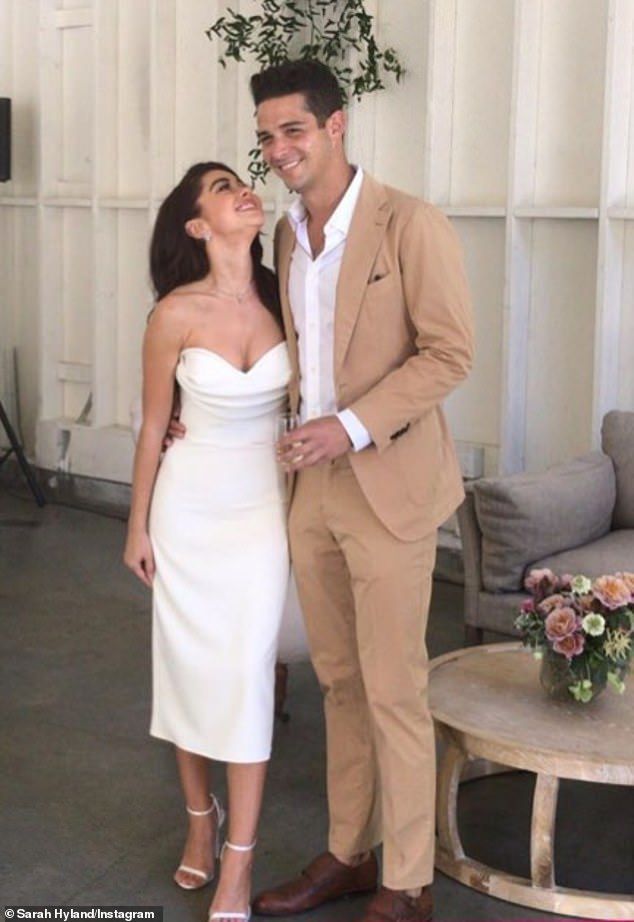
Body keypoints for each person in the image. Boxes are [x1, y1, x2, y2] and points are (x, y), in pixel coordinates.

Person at [250, 60, 474, 922]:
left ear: (336, 125)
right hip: (313, 493)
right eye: (267, 136)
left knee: (393, 687)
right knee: (339, 682)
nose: (278, 150)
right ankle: (350, 852)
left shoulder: (409, 223)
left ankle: (408, 881)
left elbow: (449, 353)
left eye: (293, 131)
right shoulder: (283, 235)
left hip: (390, 483)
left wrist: (347, 427)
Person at [123, 161, 290, 922]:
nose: (243, 190)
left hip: (264, 509)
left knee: (247, 673)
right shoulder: (174, 315)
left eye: (241, 181)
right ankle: (201, 819)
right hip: (188, 509)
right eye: (222, 188)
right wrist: (136, 526)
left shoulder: (289, 294)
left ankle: (239, 867)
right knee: (191, 670)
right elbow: (157, 425)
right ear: (197, 225)